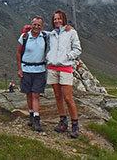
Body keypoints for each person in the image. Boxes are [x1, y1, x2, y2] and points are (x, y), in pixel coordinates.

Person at [46, 9, 82, 139]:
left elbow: (77, 49)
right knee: (57, 96)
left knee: (68, 97)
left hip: (65, 67)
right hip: (52, 67)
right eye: (55, 19)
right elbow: (39, 34)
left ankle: (75, 124)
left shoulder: (71, 32)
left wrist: (68, 57)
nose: (57, 21)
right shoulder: (51, 34)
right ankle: (62, 122)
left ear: (64, 19)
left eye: (59, 18)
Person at [17, 16, 47, 132]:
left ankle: (36, 118)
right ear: (31, 25)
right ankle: (31, 114)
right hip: (26, 69)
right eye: (34, 24)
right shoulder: (24, 37)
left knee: (36, 94)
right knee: (29, 94)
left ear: (42, 27)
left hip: (39, 70)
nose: (36, 27)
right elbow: (18, 53)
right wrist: (19, 69)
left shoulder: (44, 36)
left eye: (39, 25)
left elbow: (57, 33)